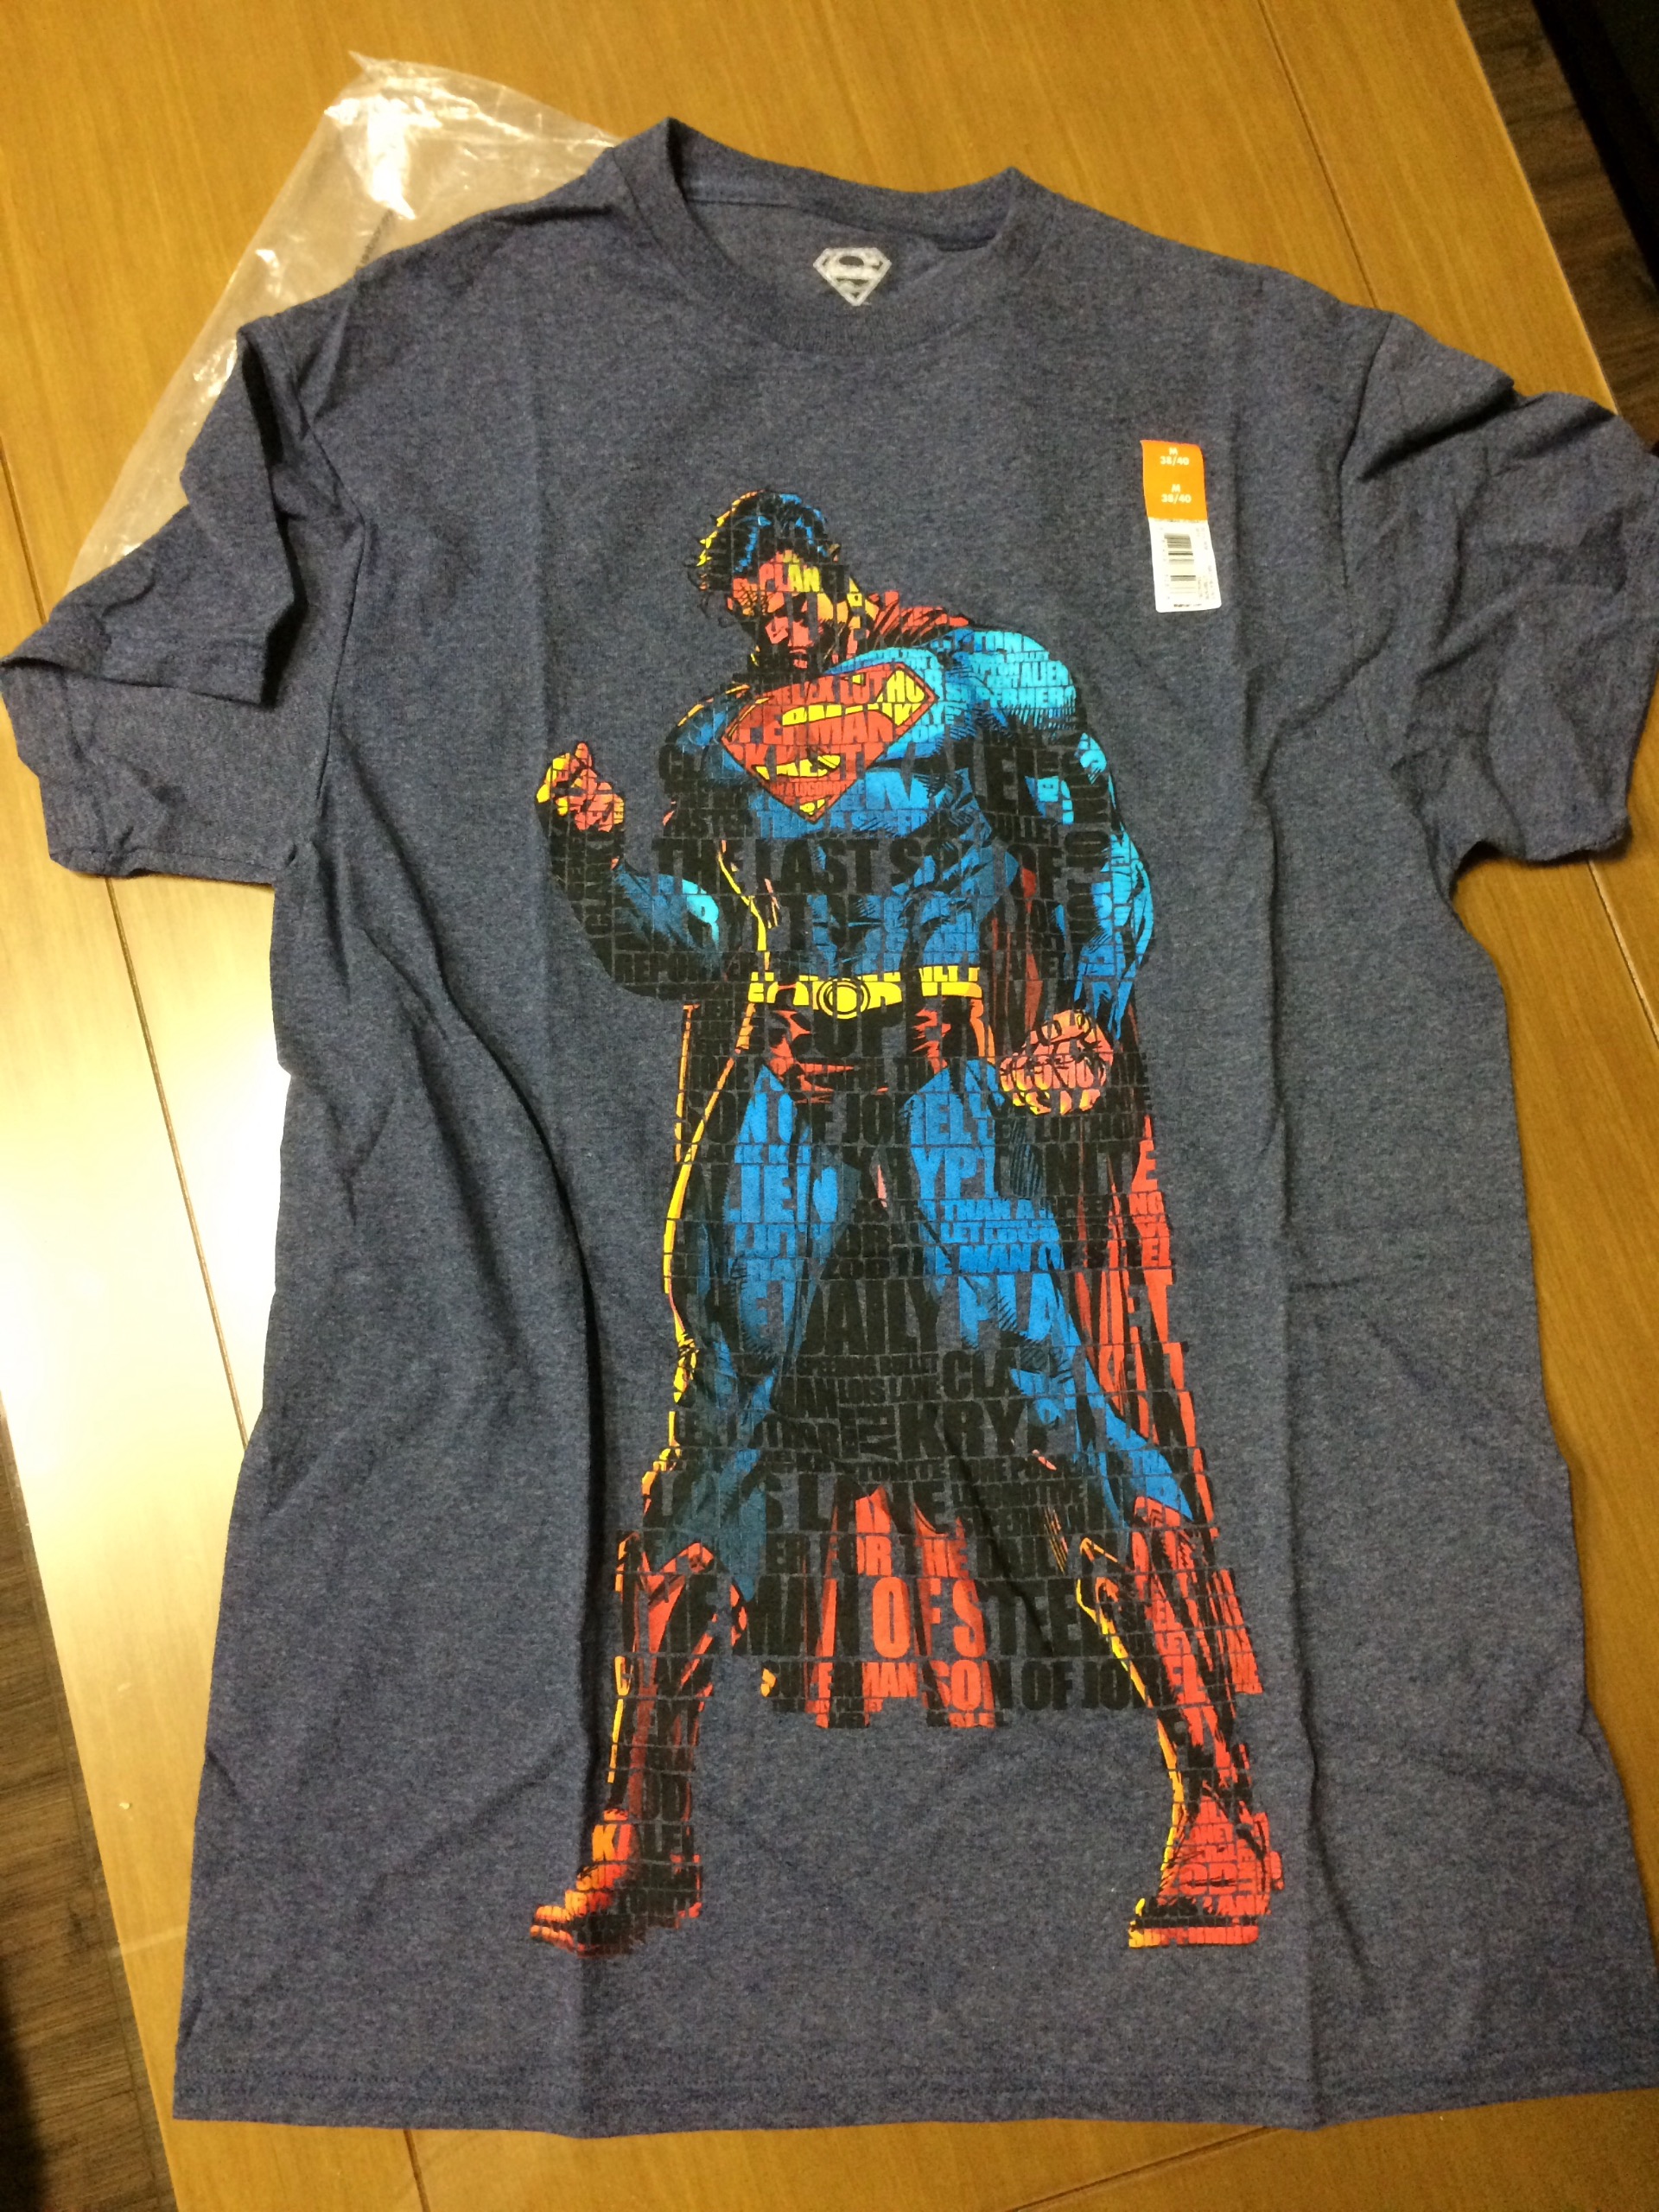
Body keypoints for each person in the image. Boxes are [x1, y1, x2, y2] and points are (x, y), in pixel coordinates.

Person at [530, 490, 1281, 1957]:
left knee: (1052, 1398)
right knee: (718, 1423)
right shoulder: (713, 744)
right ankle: (646, 1836)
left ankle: (1223, 1809)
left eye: (787, 585)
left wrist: (1087, 1013)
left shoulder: (985, 677)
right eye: (748, 606)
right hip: (784, 1081)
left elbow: (1097, 855)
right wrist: (591, 865)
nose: (776, 617)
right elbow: (699, 946)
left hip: (941, 1075)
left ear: (829, 561)